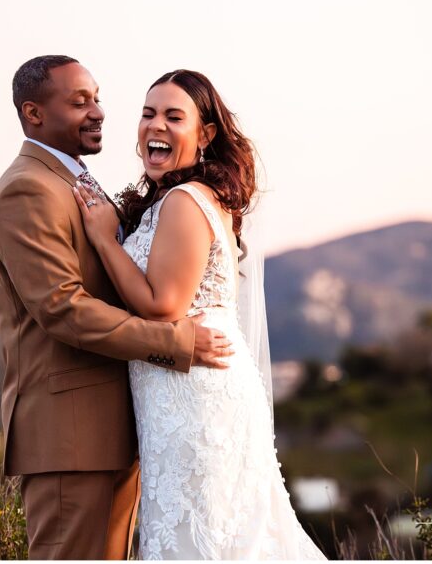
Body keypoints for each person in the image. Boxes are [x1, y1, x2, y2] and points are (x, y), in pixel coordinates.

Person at [0, 55, 234, 560]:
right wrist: (176, 340)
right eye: (79, 102)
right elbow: (62, 308)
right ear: (34, 113)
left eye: (97, 98)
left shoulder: (76, 179)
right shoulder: (27, 188)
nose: (98, 111)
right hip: (69, 433)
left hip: (120, 426)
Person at [72, 69, 327, 559]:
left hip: (197, 397)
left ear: (205, 134)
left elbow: (163, 305)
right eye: (147, 114)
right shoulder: (173, 199)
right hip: (174, 389)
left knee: (208, 535)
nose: (155, 126)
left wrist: (105, 240)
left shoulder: (186, 201)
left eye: (173, 116)